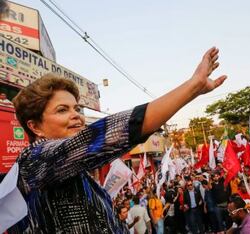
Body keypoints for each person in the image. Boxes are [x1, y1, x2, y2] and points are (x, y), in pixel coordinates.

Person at [7, 47, 226, 233]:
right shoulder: (33, 161)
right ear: (35, 126)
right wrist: (193, 86)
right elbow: (106, 135)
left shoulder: (72, 170)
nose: (77, 115)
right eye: (62, 110)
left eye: (77, 108)